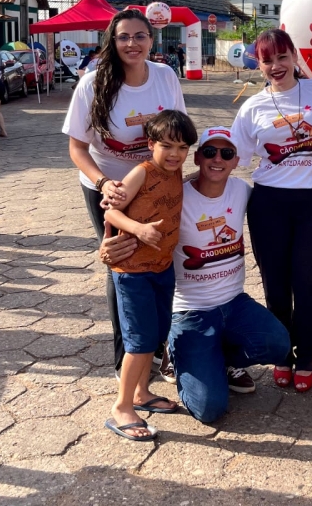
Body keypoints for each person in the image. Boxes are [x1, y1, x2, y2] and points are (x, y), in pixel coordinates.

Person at [63, 9, 186, 378]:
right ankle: (127, 358)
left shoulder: (165, 76)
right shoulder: (92, 83)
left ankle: (162, 349)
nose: (132, 43)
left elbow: (178, 132)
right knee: (123, 265)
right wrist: (104, 183)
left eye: (140, 36)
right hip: (110, 189)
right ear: (112, 41)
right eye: (123, 37)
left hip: (157, 185)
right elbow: (77, 148)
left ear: (151, 39)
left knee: (161, 258)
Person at [231, 28, 312, 393]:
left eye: (281, 57)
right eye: (267, 60)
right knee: (275, 284)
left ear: (294, 55)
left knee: (310, 281)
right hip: (269, 204)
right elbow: (234, 157)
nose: (276, 66)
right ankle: (282, 353)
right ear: (258, 64)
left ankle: (305, 354)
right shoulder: (252, 107)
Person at [167, 126, 290, 422]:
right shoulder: (176, 197)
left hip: (234, 303)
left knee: (279, 344)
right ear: (197, 157)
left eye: (227, 153)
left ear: (236, 161)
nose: (217, 159)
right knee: (209, 409)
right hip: (190, 311)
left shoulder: (241, 190)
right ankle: (178, 355)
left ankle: (219, 359)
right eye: (210, 151)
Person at [101, 110, 195, 442]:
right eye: (167, 145)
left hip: (162, 267)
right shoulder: (141, 172)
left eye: (182, 147)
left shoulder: (175, 171)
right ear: (151, 144)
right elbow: (111, 211)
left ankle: (142, 392)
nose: (175, 154)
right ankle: (122, 407)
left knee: (156, 334)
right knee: (139, 342)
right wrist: (138, 229)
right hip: (133, 272)